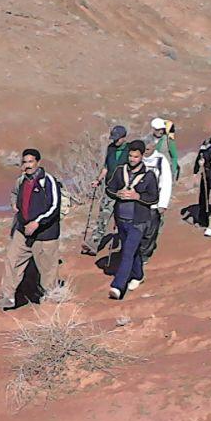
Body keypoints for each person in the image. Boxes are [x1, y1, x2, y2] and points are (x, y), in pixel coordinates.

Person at [0, 148, 62, 309]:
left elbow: (54, 206)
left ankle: (51, 302)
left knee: (47, 270)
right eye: (25, 162)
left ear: (38, 162)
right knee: (12, 259)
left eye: (31, 162)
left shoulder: (48, 181)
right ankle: (9, 297)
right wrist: (14, 205)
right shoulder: (21, 180)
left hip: (44, 233)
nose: (28, 165)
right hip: (22, 230)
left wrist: (37, 222)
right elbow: (14, 194)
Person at [106, 141, 160, 297]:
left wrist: (138, 196)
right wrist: (117, 194)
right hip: (121, 219)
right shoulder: (119, 171)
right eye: (130, 156)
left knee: (127, 252)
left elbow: (153, 197)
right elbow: (109, 188)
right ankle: (138, 275)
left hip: (139, 221)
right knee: (133, 250)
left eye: (136, 156)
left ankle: (117, 286)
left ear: (142, 157)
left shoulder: (149, 176)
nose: (132, 159)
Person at [82, 126, 129, 256]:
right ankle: (93, 245)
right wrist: (98, 180)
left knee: (122, 222)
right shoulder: (111, 149)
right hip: (110, 190)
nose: (115, 141)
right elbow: (106, 168)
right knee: (102, 218)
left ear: (124, 138)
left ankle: (125, 249)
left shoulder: (129, 150)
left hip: (124, 193)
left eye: (117, 139)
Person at [140, 135, 173, 261]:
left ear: (153, 147)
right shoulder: (139, 159)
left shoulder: (161, 160)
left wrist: (163, 204)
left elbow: (166, 183)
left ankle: (144, 256)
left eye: (147, 149)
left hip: (155, 202)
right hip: (139, 201)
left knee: (150, 231)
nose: (145, 152)